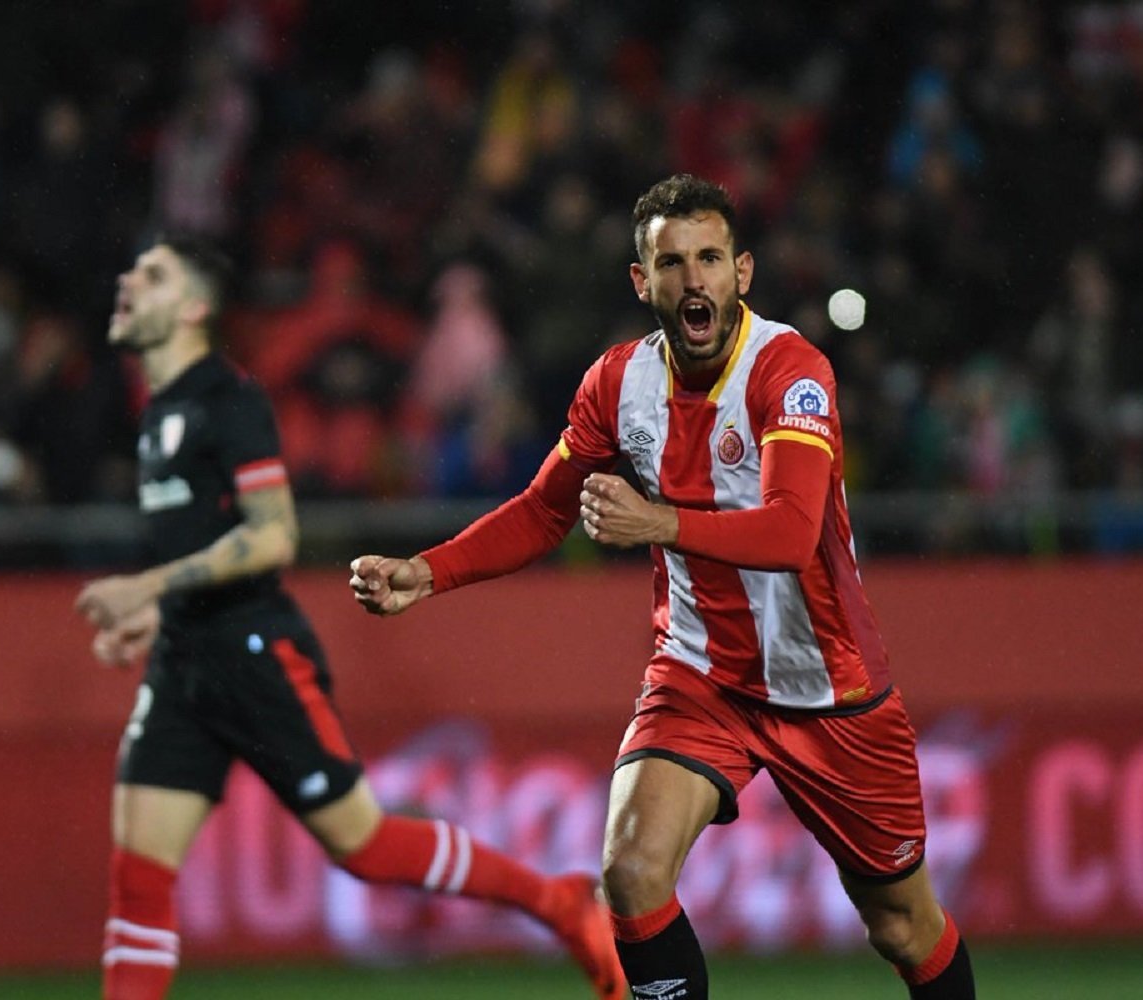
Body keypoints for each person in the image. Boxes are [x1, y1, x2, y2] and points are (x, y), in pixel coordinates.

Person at [351, 174, 977, 999]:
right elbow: (544, 512)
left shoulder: (790, 371)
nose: (695, 280)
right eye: (673, 262)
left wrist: (660, 524)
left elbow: (792, 531)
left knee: (901, 926)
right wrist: (426, 571)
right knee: (632, 872)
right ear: (643, 282)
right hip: (701, 674)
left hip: (828, 687)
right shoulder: (616, 386)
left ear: (742, 272)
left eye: (710, 258)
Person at [74, 236, 623, 1000]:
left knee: (362, 845)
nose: (129, 279)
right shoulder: (160, 413)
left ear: (195, 308)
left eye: (155, 274)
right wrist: (157, 609)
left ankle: (557, 903)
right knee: (137, 880)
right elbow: (206, 537)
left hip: (253, 651)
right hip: (182, 660)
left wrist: (149, 585)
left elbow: (273, 535)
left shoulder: (227, 402)